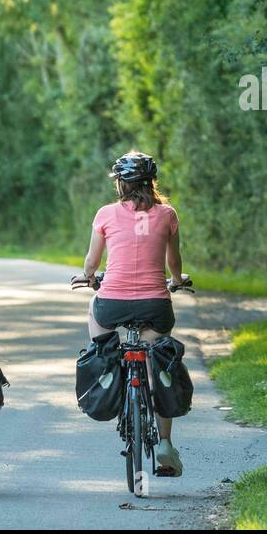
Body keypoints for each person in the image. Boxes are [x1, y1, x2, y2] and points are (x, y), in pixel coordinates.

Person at [74, 151, 188, 476]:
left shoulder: (106, 214)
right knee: (159, 363)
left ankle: (108, 361)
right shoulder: (167, 214)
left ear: (120, 184)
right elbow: (174, 262)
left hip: (111, 304)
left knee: (96, 318)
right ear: (151, 182)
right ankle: (165, 445)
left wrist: (91, 278)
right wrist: (177, 282)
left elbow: (91, 263)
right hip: (156, 306)